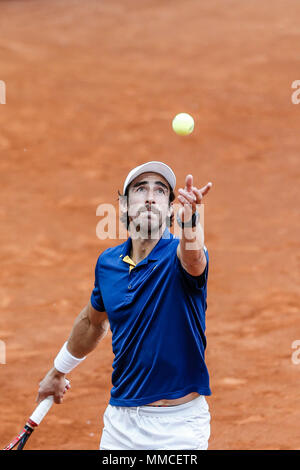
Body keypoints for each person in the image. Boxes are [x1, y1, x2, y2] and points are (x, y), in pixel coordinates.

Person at [37, 161, 213, 450]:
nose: (149, 196)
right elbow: (93, 322)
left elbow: (194, 257)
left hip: (178, 428)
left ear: (170, 209)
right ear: (124, 205)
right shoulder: (108, 263)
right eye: (140, 189)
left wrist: (190, 222)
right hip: (120, 424)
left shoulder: (180, 256)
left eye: (160, 191)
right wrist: (58, 371)